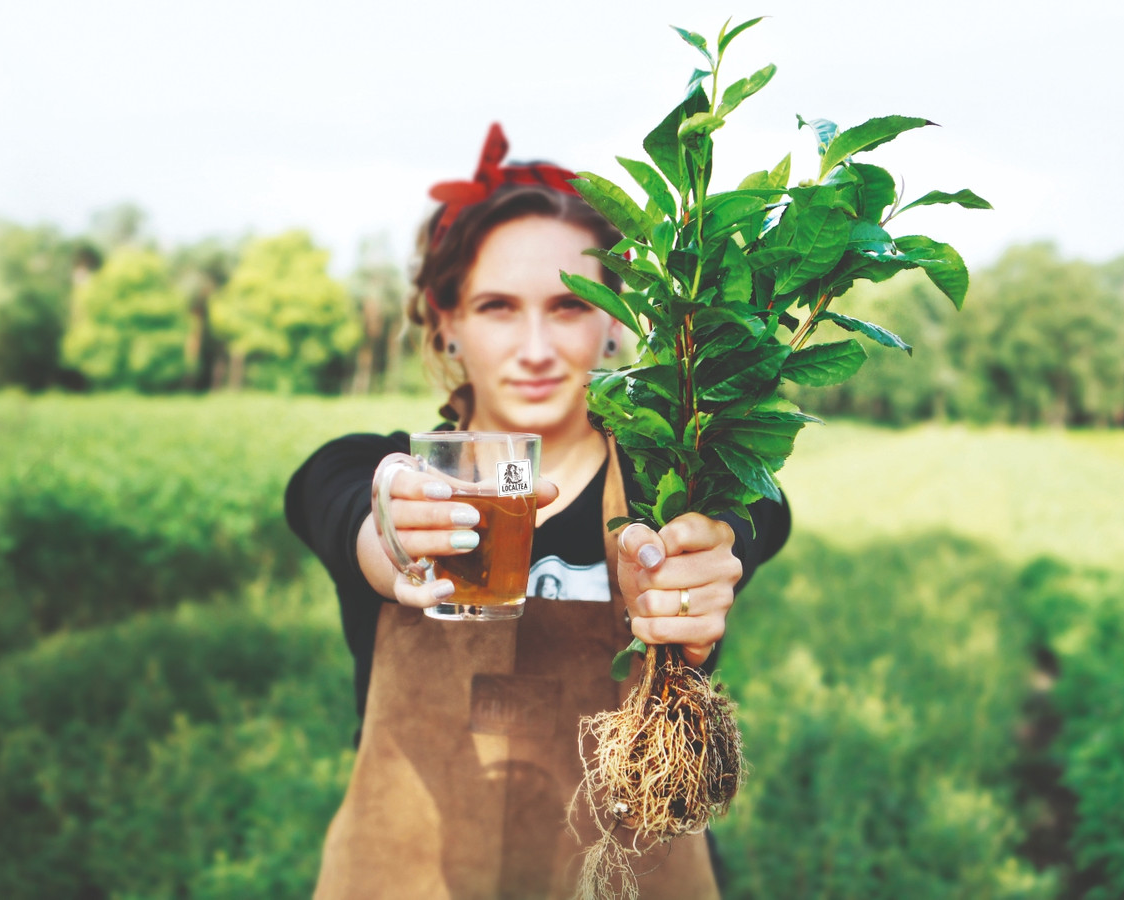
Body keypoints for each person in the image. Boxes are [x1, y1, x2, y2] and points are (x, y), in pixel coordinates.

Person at [285, 123, 790, 900]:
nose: (535, 348)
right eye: (496, 306)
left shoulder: (673, 487)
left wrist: (712, 549)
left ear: (615, 317)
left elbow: (756, 514)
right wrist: (383, 528)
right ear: (445, 319)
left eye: (566, 305)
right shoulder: (385, 471)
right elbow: (331, 491)